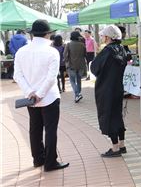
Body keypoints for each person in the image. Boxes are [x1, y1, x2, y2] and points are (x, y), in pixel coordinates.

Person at [13, 19, 69, 172]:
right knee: (50, 130)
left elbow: (17, 75)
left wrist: (30, 93)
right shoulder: (52, 52)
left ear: (32, 34)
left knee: (35, 129)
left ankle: (38, 159)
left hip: (30, 98)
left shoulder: (21, 52)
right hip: (49, 97)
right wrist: (40, 94)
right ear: (48, 34)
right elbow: (51, 77)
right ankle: (51, 162)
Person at [90, 25, 128, 158]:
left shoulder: (107, 51)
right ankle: (122, 145)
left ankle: (115, 147)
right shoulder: (122, 49)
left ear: (109, 37)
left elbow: (94, 68)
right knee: (117, 115)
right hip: (118, 88)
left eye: (103, 36)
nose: (102, 38)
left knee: (108, 116)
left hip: (106, 89)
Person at [64, 31, 87, 103]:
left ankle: (77, 94)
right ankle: (78, 94)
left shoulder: (69, 44)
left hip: (71, 65)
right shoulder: (82, 45)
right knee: (79, 80)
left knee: (72, 81)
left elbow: (65, 55)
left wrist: (67, 61)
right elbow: (85, 54)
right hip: (80, 65)